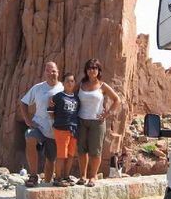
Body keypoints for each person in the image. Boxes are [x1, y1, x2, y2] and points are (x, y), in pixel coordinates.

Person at [76, 59, 121, 187]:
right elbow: (69, 94)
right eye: (90, 68)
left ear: (99, 70)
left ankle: (93, 176)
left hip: (97, 122)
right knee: (81, 150)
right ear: (86, 70)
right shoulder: (80, 85)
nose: (92, 70)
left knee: (95, 151)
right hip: (81, 120)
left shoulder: (103, 86)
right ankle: (82, 176)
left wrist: (108, 113)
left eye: (95, 68)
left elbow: (116, 100)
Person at [20, 61, 63, 188]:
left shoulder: (63, 88)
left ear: (58, 72)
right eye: (48, 71)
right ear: (44, 73)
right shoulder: (38, 88)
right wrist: (28, 120)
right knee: (29, 136)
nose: (51, 73)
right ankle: (33, 175)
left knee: (51, 161)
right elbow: (23, 103)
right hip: (39, 127)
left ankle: (47, 183)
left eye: (54, 71)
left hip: (55, 132)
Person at [49, 73, 81, 185]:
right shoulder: (58, 97)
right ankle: (57, 178)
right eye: (67, 81)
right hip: (61, 129)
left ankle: (66, 177)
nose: (70, 83)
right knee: (61, 155)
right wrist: (59, 122)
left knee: (71, 155)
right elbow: (50, 112)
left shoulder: (77, 98)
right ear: (63, 83)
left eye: (72, 81)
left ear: (74, 83)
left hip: (74, 129)